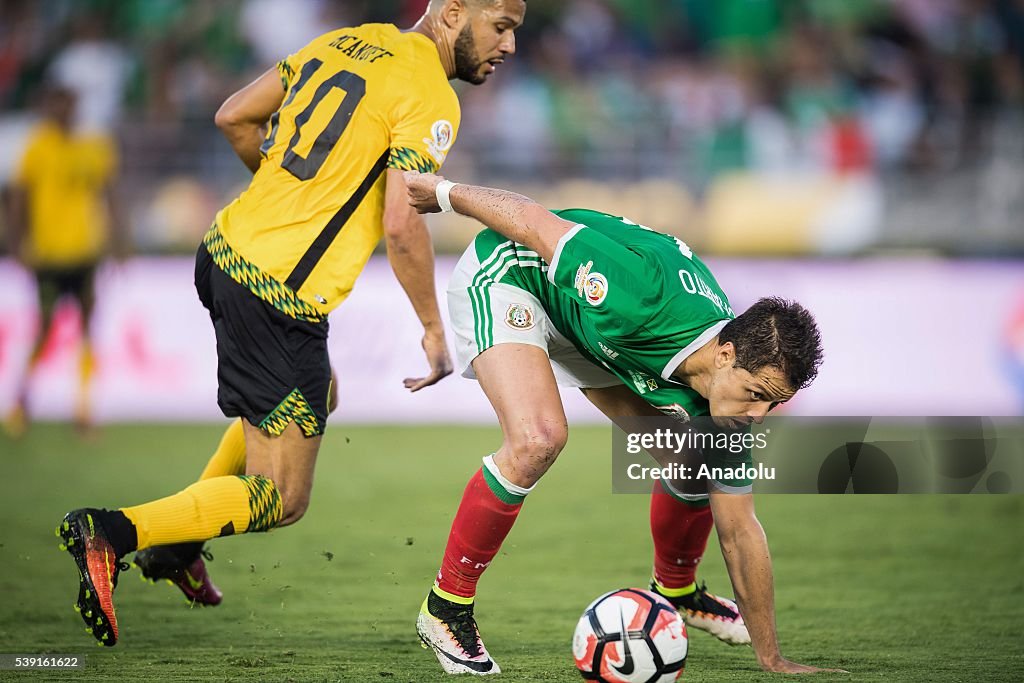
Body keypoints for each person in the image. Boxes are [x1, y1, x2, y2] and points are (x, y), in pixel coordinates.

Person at [56, 0, 527, 647]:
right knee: (281, 494)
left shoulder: (344, 43)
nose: (508, 45)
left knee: (320, 393)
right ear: (451, 13)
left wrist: (290, 196)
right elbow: (401, 221)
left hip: (222, 249)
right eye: (501, 26)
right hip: (278, 292)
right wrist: (433, 327)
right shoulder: (431, 95)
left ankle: (177, 547)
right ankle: (109, 530)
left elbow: (234, 116)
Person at [403, 171, 839, 675]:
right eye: (756, 395)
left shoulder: (728, 408)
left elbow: (740, 531)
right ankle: (446, 607)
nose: (758, 417)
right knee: (538, 439)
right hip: (513, 275)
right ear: (724, 355)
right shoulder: (639, 296)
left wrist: (772, 657)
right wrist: (441, 194)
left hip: (591, 328)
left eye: (772, 404)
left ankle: (676, 590)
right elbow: (529, 219)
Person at [4, 85, 123, 438]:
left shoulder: (93, 146)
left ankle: (84, 411)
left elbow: (110, 193)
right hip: (49, 255)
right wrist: (16, 245)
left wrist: (120, 241)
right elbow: (18, 198)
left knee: (88, 328)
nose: (62, 110)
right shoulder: (36, 146)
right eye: (56, 102)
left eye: (67, 103)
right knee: (43, 328)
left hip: (86, 253)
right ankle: (20, 402)